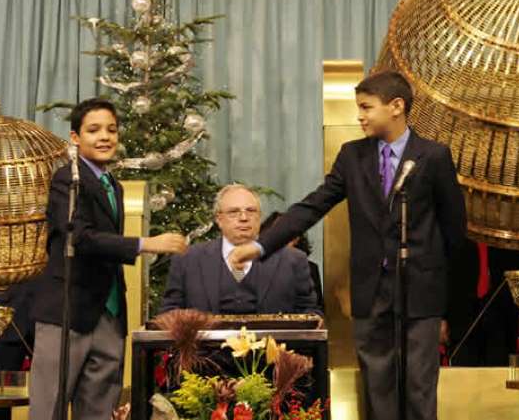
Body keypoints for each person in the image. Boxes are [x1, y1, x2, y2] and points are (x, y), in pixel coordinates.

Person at [228, 71, 466, 420]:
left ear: (397, 107)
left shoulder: (433, 156)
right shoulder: (353, 156)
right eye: (359, 108)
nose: (360, 116)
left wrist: (448, 306)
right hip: (370, 294)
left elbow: (453, 232)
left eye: (367, 107)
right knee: (378, 389)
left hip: (420, 293)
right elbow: (314, 205)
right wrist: (262, 245)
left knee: (419, 387)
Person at [29, 98, 187, 420]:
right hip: (67, 313)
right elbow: (80, 237)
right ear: (75, 138)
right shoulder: (66, 180)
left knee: (100, 409)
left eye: (111, 130)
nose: (105, 137)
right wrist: (145, 243)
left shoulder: (112, 184)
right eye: (94, 130)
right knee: (50, 408)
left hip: (109, 316)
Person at [160, 185, 321, 317]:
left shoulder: (293, 260)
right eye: (233, 212)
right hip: (205, 354)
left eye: (251, 211)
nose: (243, 218)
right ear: (219, 219)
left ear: (260, 217)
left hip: (273, 353)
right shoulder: (188, 259)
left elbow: (310, 314)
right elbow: (170, 313)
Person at [445, 239, 519, 366]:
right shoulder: (457, 223)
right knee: (463, 374)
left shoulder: (512, 221)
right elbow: (442, 263)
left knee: (500, 375)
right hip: (461, 312)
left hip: (504, 311)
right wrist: (440, 315)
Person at [260, 211, 324, 313]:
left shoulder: (309, 267)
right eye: (277, 231)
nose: (282, 237)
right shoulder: (256, 261)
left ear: (297, 238)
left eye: (288, 232)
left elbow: (315, 308)